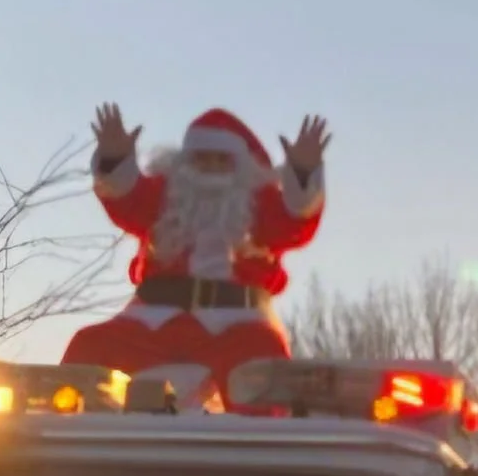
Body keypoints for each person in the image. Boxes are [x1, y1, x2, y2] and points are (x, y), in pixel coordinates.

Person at [63, 105, 330, 413]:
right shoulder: (165, 198)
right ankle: (60, 428)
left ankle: (263, 450)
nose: (210, 169)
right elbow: (127, 199)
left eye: (221, 161)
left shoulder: (258, 207)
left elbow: (294, 221)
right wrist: (115, 159)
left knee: (263, 366)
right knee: (91, 346)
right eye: (202, 159)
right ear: (185, 164)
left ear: (239, 167)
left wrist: (303, 172)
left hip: (234, 328)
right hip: (151, 322)